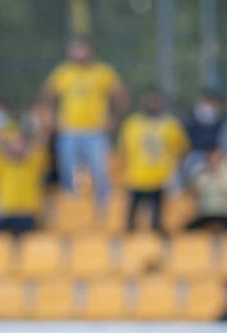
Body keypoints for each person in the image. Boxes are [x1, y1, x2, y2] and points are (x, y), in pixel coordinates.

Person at [40, 39, 127, 208]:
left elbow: (120, 94)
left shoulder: (103, 72)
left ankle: (104, 209)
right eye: (75, 49)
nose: (79, 53)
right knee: (68, 171)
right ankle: (72, 209)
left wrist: (114, 118)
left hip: (95, 132)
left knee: (100, 172)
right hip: (69, 132)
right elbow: (47, 95)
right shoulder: (63, 72)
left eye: (82, 49)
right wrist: (49, 117)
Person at [118, 88, 189, 233]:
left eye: (156, 101)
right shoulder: (132, 124)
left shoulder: (170, 125)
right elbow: (123, 150)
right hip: (137, 176)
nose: (153, 104)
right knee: (130, 220)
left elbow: (182, 149)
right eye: (150, 101)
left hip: (160, 178)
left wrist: (176, 172)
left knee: (157, 222)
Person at [186, 148, 227, 232]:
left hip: (225, 215)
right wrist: (207, 180)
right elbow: (191, 195)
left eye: (216, 159)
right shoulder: (201, 174)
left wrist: (220, 179)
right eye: (211, 159)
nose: (213, 162)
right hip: (204, 215)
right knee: (189, 231)